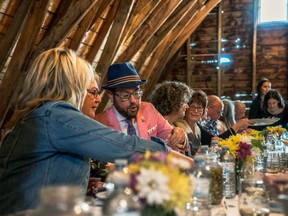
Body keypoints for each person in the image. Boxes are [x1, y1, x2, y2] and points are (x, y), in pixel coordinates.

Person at [0, 48, 191, 215]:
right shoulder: (56, 115)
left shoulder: (44, 116)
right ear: (71, 87)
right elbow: (124, 145)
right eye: (91, 91)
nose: (98, 99)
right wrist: (188, 163)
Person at [95, 62, 187, 151]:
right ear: (111, 95)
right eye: (125, 95)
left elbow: (171, 136)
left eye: (136, 93)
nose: (134, 100)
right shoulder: (99, 124)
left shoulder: (148, 109)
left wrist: (180, 137)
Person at [174, 90, 211, 156]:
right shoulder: (178, 127)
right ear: (186, 107)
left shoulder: (197, 128)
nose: (196, 111)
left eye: (199, 107)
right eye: (192, 107)